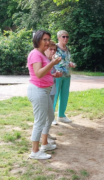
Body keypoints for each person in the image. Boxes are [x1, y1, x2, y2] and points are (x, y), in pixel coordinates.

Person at [27, 30, 62, 159]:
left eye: (48, 40)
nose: (47, 42)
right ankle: (35, 152)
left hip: (44, 90)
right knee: (40, 121)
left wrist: (53, 74)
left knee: (50, 116)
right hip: (38, 91)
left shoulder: (41, 54)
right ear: (38, 40)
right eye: (45, 40)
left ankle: (45, 144)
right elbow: (38, 74)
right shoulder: (35, 54)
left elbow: (44, 73)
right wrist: (52, 63)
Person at [53, 30, 76, 123]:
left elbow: (67, 59)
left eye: (67, 37)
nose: (65, 38)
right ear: (58, 38)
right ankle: (51, 117)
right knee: (54, 96)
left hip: (67, 75)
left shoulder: (68, 48)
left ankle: (61, 116)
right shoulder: (54, 47)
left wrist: (71, 63)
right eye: (63, 37)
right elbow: (51, 59)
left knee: (64, 96)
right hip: (57, 75)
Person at [42, 40, 59, 144]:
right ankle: (44, 138)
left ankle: (46, 134)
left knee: (50, 114)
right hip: (45, 90)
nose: (53, 51)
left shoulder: (52, 60)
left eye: (54, 49)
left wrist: (56, 74)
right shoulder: (44, 60)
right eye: (50, 49)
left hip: (52, 89)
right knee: (46, 115)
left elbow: (51, 73)